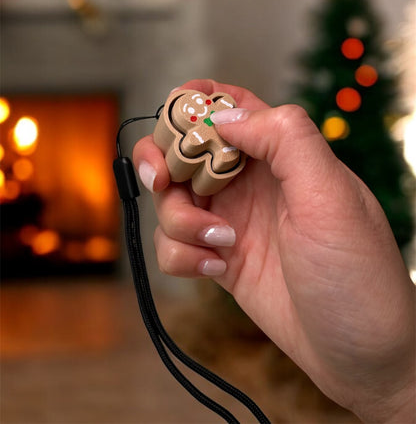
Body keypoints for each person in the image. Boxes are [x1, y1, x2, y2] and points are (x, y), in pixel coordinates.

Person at [133, 79, 415, 423]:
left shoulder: (228, 122)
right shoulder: (199, 128)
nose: (202, 115)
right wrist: (397, 385)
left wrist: (399, 383)